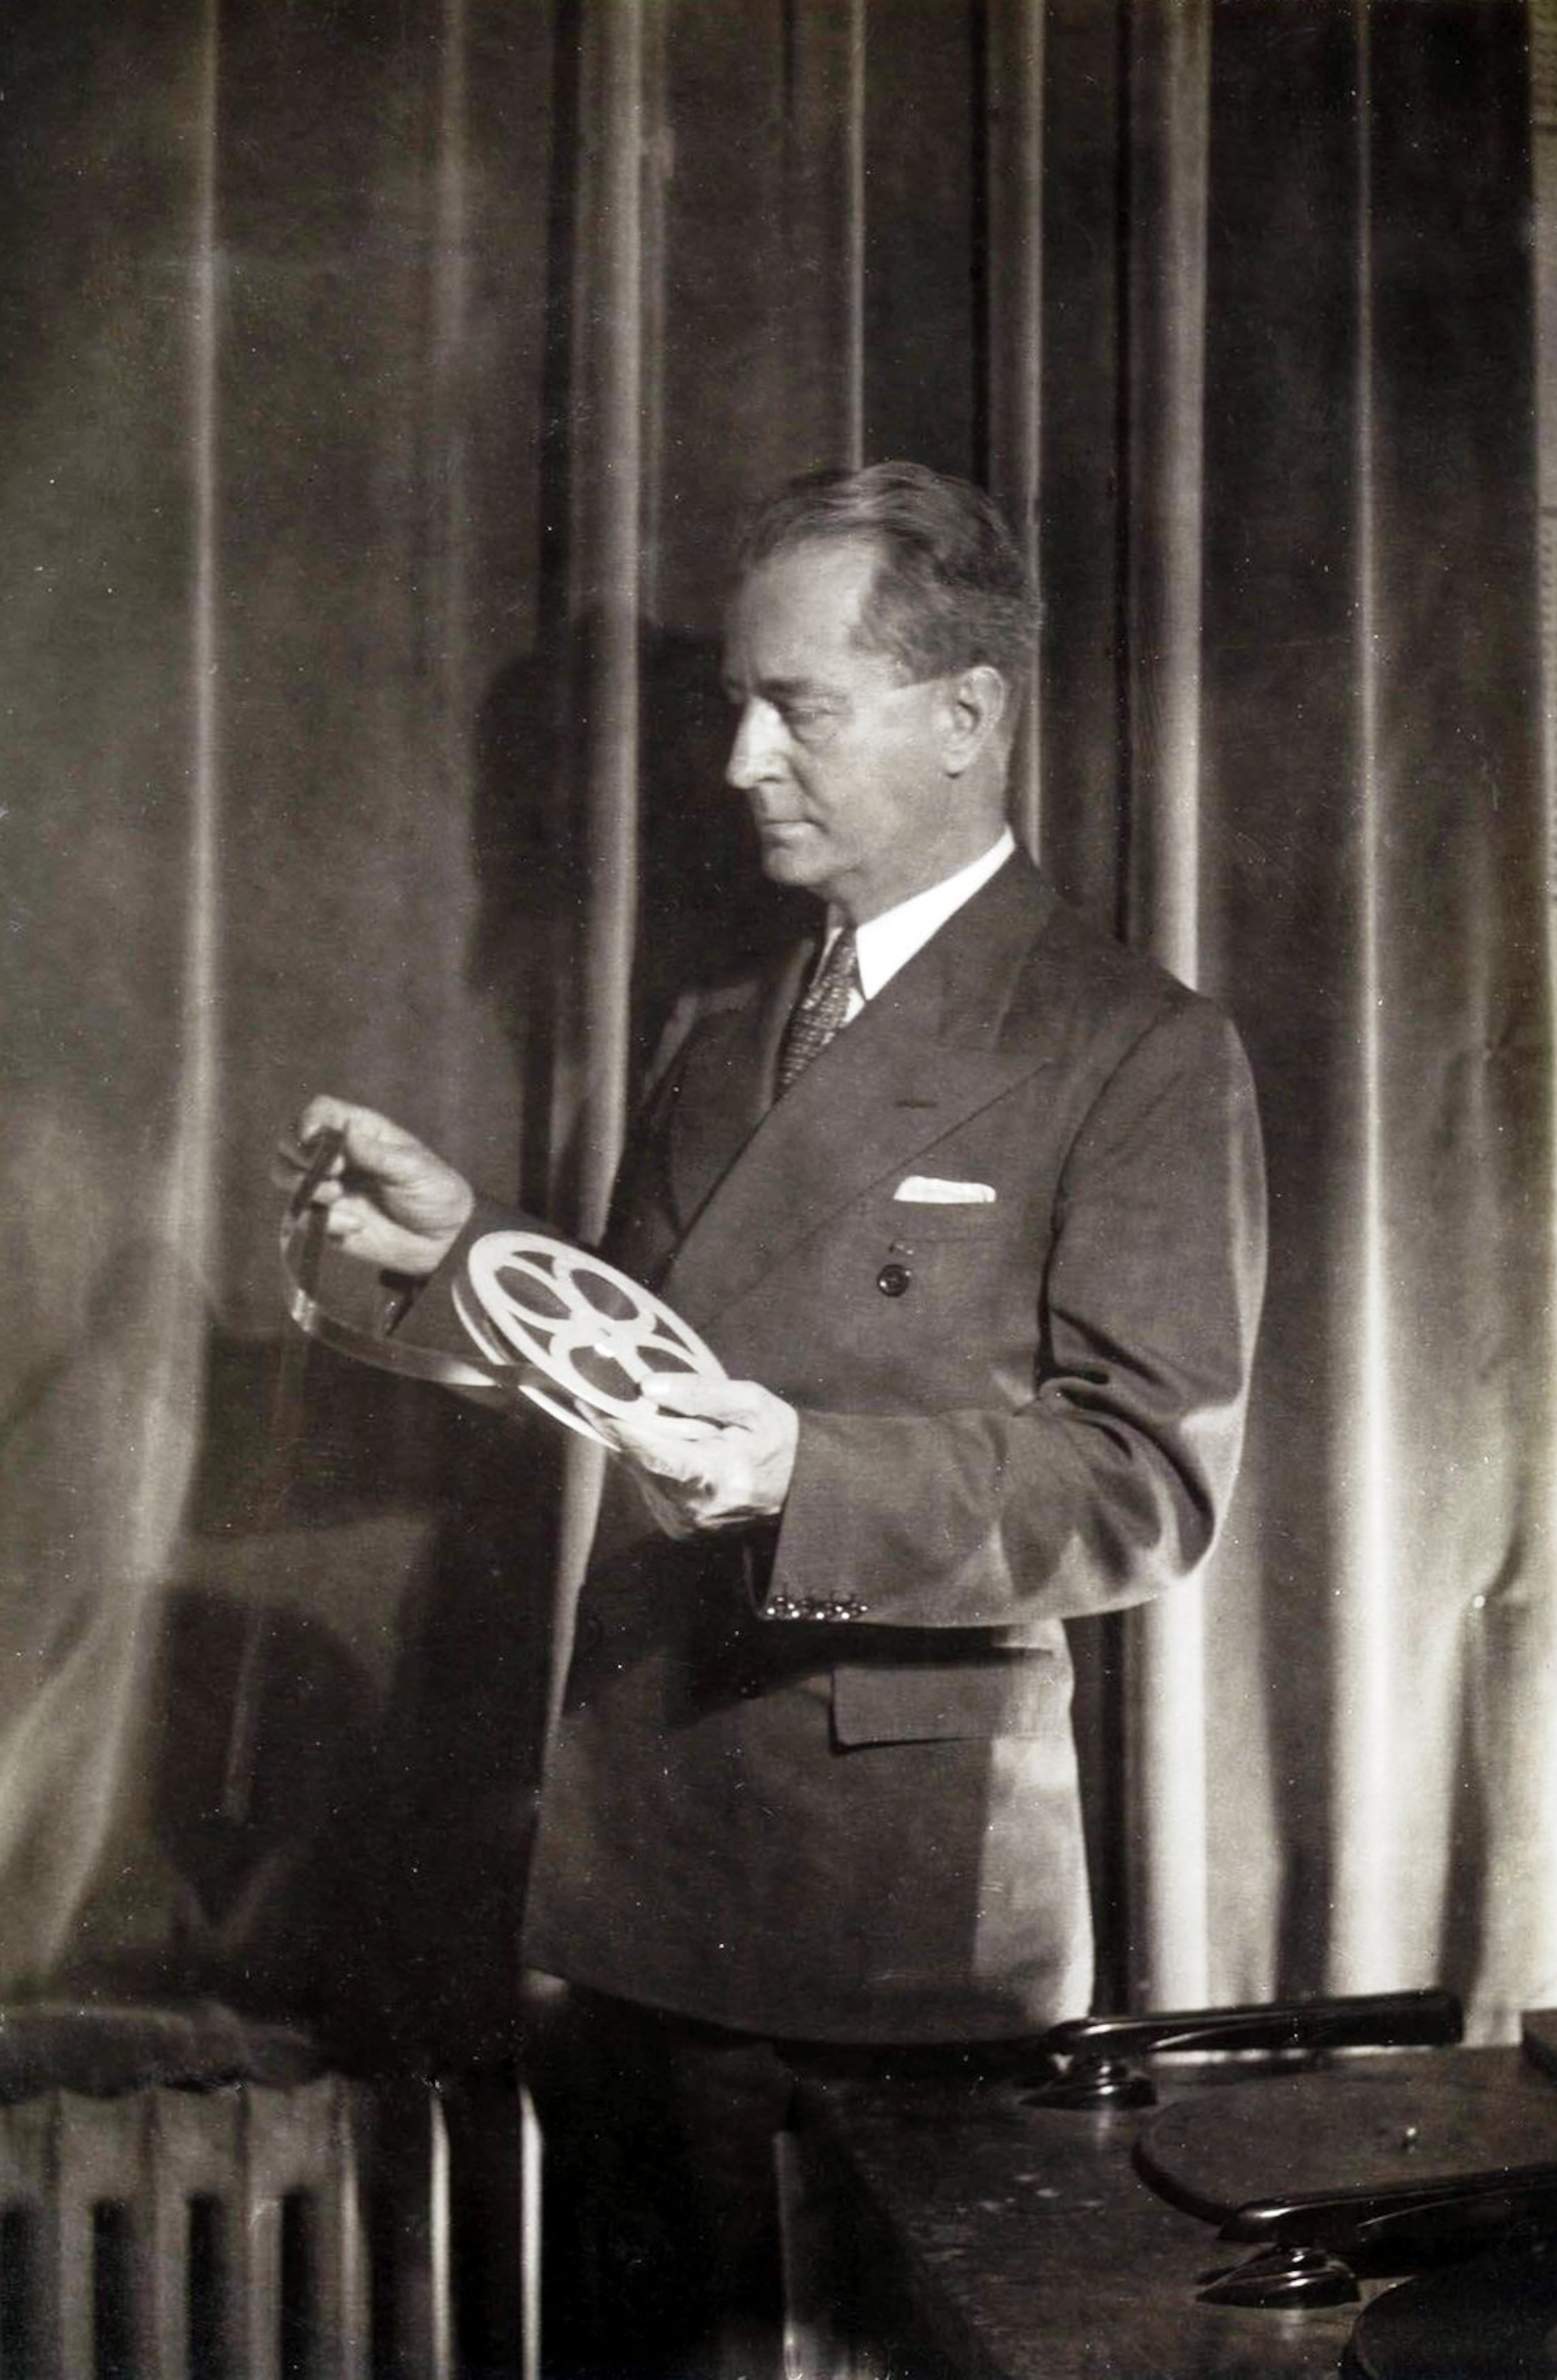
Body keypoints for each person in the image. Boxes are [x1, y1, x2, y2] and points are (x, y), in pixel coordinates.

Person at [279, 462, 1266, 2374]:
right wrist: (461, 1247)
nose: (740, 759)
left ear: (967, 717)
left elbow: (1147, 1479)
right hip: (634, 1875)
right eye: (743, 701)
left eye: (793, 706)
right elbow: (642, 1361)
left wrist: (808, 1470)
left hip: (889, 1929)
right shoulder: (726, 1032)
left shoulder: (1136, 1049)